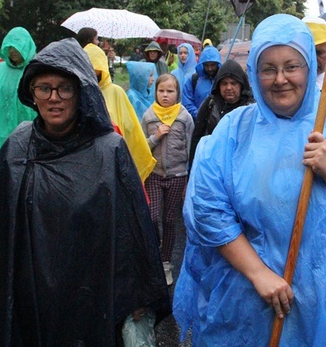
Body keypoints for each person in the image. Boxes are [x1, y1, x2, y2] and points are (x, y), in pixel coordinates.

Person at [173, 14, 326, 345]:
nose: (280, 79)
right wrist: (259, 274)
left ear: (308, 68)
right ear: (254, 74)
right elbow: (206, 209)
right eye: (268, 68)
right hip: (244, 302)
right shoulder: (233, 132)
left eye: (292, 66)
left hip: (319, 302)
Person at [0, 38, 170, 344]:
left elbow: (131, 235)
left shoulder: (109, 150)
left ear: (81, 91)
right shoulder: (18, 146)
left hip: (90, 298)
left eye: (64, 88)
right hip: (30, 298)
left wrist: (137, 300)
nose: (54, 98)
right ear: (32, 93)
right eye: (44, 88)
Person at [141, 74, 194, 286]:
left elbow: (190, 145)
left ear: (177, 93)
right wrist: (156, 136)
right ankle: (154, 254)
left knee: (170, 220)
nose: (165, 95)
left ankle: (165, 263)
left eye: (170, 91)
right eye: (161, 91)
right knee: (152, 217)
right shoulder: (149, 116)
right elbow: (141, 146)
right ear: (156, 92)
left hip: (177, 176)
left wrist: (189, 176)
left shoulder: (184, 117)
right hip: (154, 175)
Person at [84, 43, 156, 181]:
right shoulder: (77, 93)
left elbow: (132, 130)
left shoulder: (116, 93)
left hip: (112, 161)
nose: (92, 73)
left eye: (96, 69)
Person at [0, 26, 37, 163]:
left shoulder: (34, 68)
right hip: (1, 126)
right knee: (2, 159)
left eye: (17, 47)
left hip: (27, 123)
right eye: (9, 47)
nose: (13, 51)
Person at [189, 58, 254, 163]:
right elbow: (197, 138)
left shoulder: (251, 108)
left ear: (241, 85)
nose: (229, 87)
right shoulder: (210, 105)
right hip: (213, 165)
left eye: (233, 83)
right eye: (224, 83)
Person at [181, 44, 221, 119]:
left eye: (212, 65)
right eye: (206, 65)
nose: (209, 69)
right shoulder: (194, 80)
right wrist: (200, 115)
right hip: (198, 123)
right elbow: (187, 102)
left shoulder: (222, 80)